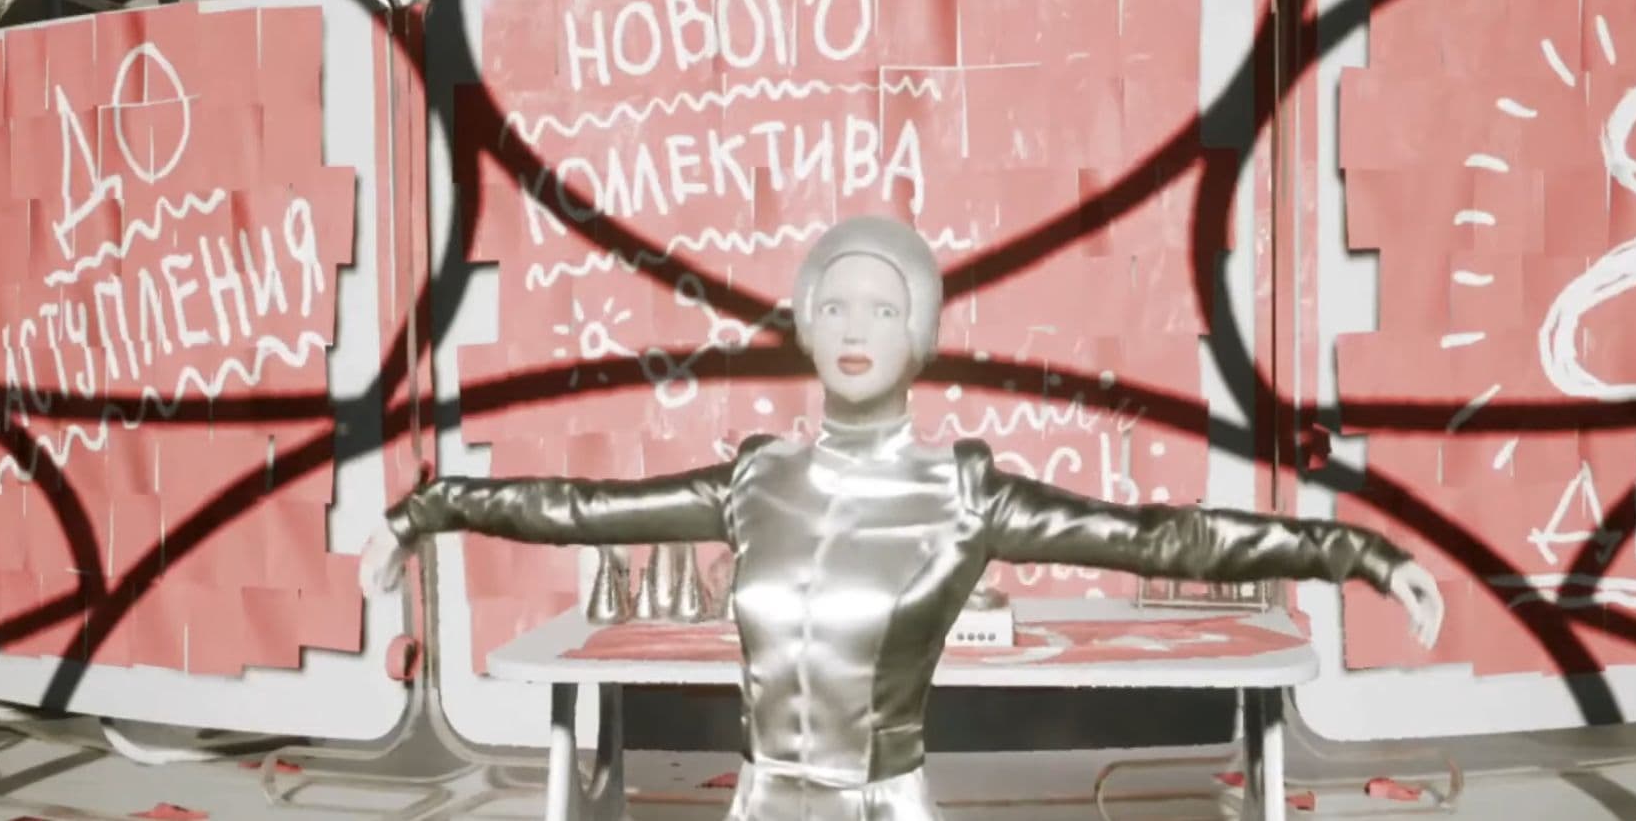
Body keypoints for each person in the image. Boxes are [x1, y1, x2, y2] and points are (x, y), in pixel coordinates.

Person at [359, 215, 1444, 820]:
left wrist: (1359, 551)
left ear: (918, 333)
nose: (855, 326)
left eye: (883, 307)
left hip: (883, 806)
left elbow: (1161, 536)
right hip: (759, 803)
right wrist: (422, 512)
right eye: (833, 303)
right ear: (804, 324)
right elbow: (575, 508)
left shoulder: (964, 494)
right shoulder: (752, 479)